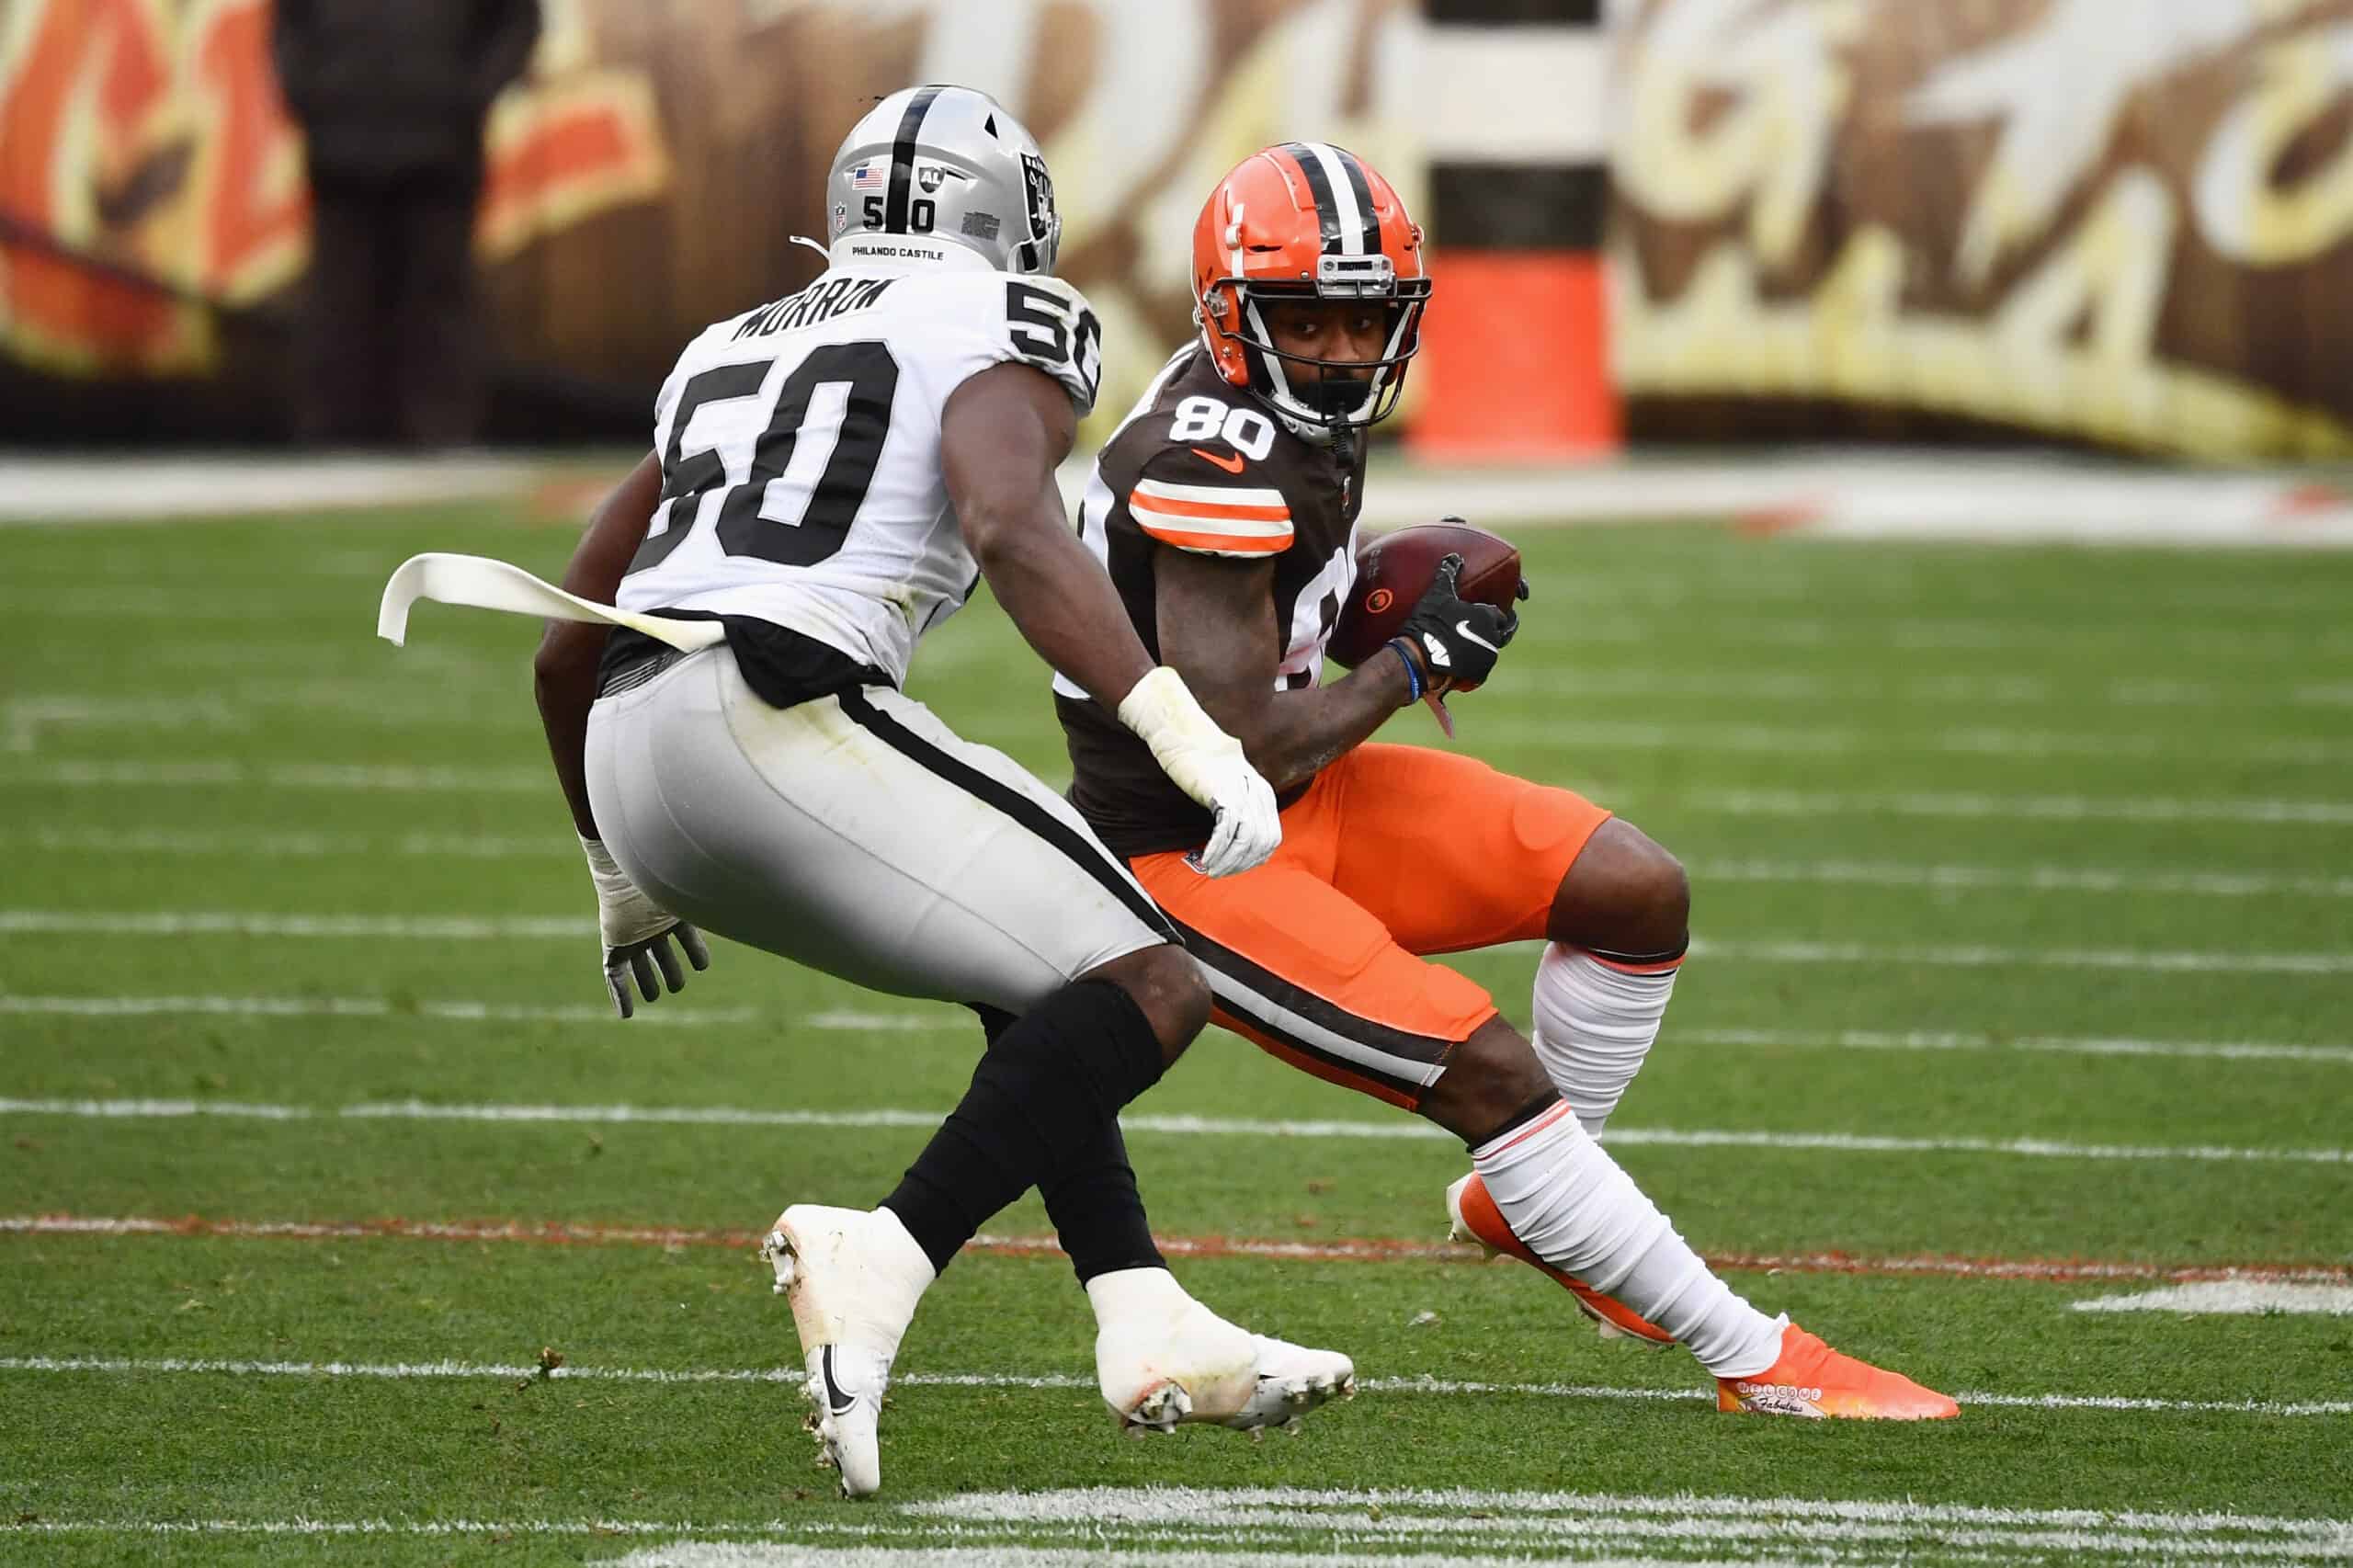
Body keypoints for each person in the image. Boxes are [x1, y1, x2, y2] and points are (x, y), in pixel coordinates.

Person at [524, 88, 1352, 1498]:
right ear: (1011, 222)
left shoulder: (724, 341)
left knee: (1035, 960)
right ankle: (884, 1255)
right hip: (773, 707)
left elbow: (561, 644)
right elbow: (1009, 519)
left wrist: (614, 864)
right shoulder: (1004, 315)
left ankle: (1139, 1315)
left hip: (627, 744)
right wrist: (1182, 731)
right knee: (1158, 980)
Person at [1049, 142, 1959, 1421]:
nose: (1344, 352)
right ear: (1229, 317)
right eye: (1306, 320)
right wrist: (1407, 661)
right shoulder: (1207, 455)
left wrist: (1372, 590)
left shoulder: (1293, 413)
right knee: (1490, 1070)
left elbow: (1281, 626)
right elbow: (1242, 738)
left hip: (1304, 798)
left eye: (1367, 319)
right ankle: (1755, 1355)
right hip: (1193, 851)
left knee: (1634, 891)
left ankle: (1525, 1197)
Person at [272, 0, 539, 445]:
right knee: (341, 296)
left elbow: (517, 23)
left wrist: (470, 94)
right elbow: (288, 26)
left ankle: (439, 431)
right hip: (341, 150)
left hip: (441, 147)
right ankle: (334, 431)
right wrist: (313, 95)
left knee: (437, 292)